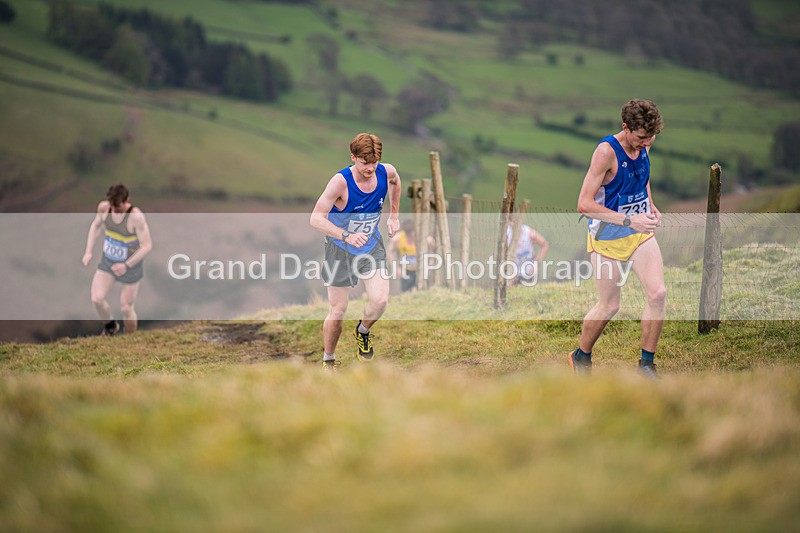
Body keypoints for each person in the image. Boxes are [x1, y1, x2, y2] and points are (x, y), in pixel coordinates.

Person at [571, 99, 666, 379]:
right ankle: (581, 356)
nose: (645, 143)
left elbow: (642, 177)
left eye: (650, 137)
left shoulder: (646, 142)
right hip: (607, 236)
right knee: (610, 305)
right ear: (625, 127)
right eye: (640, 138)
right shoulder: (605, 153)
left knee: (658, 294)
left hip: (638, 233)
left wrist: (649, 204)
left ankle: (646, 365)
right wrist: (629, 219)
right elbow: (584, 205)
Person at [310, 133, 401, 369]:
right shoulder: (340, 182)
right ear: (353, 157)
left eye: (374, 162)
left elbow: (396, 181)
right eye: (365, 163)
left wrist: (394, 216)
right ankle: (329, 359)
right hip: (340, 249)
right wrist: (347, 235)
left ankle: (363, 331)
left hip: (370, 246)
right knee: (338, 311)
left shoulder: (385, 171)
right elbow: (315, 219)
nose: (370, 168)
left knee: (380, 300)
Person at [82, 183, 153, 335]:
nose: (115, 210)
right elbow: (96, 226)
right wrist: (88, 251)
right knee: (97, 299)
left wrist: (126, 265)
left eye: (118, 207)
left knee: (126, 308)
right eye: (112, 207)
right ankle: (110, 327)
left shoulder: (136, 217)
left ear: (127, 200)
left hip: (131, 266)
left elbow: (146, 246)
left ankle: (130, 340)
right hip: (108, 261)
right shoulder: (104, 208)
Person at [506, 214, 549, 284]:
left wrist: (536, 264)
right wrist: (509, 268)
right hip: (512, 272)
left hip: (528, 271)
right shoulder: (506, 234)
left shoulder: (529, 233)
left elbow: (544, 245)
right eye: (510, 221)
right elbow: (503, 252)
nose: (512, 223)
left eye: (514, 221)